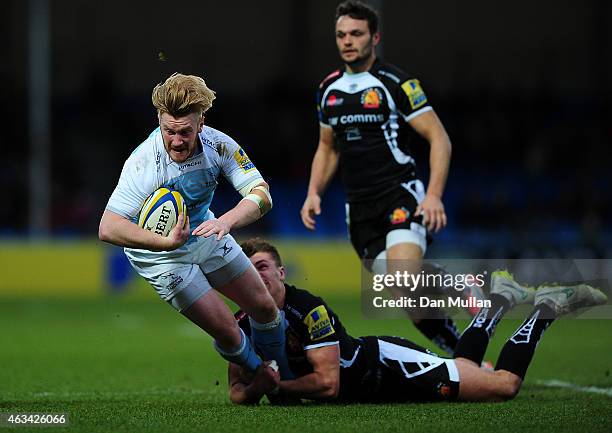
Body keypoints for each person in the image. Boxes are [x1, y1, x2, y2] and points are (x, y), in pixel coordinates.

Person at [227, 238, 607, 404]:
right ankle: (502, 298)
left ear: (280, 272)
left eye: (262, 267)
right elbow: (236, 390)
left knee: (503, 387)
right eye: (248, 269)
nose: (256, 276)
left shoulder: (307, 307)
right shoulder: (239, 321)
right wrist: (255, 388)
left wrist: (274, 388)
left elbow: (328, 385)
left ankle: (546, 308)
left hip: (390, 365)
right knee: (465, 366)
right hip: (376, 385)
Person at [98, 73, 293, 379]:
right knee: (229, 332)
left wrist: (226, 221)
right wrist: (165, 243)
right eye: (168, 131)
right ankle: (262, 377)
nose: (176, 141)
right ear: (159, 121)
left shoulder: (219, 146)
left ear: (201, 123)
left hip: (208, 233)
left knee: (266, 310)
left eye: (185, 132)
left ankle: (288, 375)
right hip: (162, 258)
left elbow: (261, 194)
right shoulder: (143, 164)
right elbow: (108, 227)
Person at [300, 0, 464, 354]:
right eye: (341, 34)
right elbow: (327, 148)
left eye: (356, 34)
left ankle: (462, 284)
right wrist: (314, 192)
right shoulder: (328, 89)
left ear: (374, 37)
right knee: (407, 296)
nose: (347, 41)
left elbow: (440, 138)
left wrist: (433, 196)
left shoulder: (397, 83)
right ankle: (463, 350)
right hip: (359, 209)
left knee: (405, 274)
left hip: (398, 194)